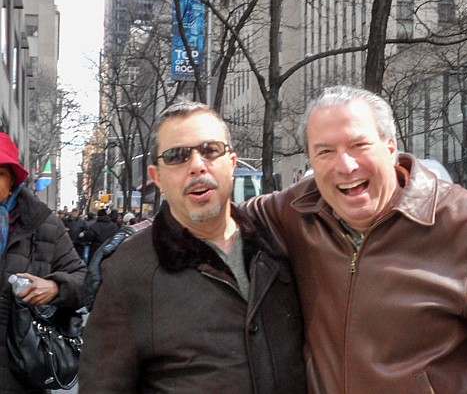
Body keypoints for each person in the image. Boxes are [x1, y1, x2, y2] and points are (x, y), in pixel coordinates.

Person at [240, 86, 467, 393]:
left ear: (390, 147)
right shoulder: (297, 211)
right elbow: (218, 221)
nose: (345, 165)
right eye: (325, 152)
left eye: (359, 145)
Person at [79, 100, 306, 393]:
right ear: (157, 177)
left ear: (232, 163)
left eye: (211, 150)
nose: (197, 166)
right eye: (177, 156)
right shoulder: (128, 272)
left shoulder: (278, 243)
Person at [0, 132, 87, 393]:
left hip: (19, 373)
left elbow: (86, 282)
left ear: (13, 179)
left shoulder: (43, 225)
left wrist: (55, 288)